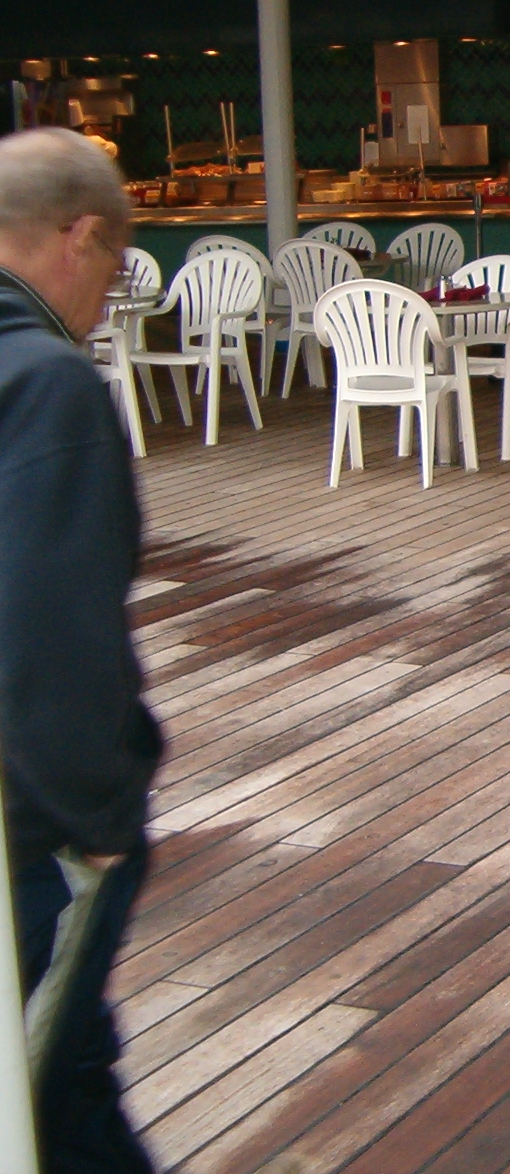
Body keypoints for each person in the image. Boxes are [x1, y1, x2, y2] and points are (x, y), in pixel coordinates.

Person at [0, 128, 162, 1173]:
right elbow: (47, 630)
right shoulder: (48, 385)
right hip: (32, 833)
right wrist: (97, 821)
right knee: (53, 1090)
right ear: (81, 236)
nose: (108, 294)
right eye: (115, 263)